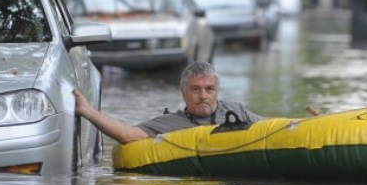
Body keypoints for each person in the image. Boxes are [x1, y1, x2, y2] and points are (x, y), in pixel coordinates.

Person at [74, 61, 263, 144]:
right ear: (183, 93)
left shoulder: (236, 110)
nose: (203, 95)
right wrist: (88, 111)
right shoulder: (169, 123)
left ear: (217, 91)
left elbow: (274, 127)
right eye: (195, 89)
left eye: (209, 89)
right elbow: (128, 135)